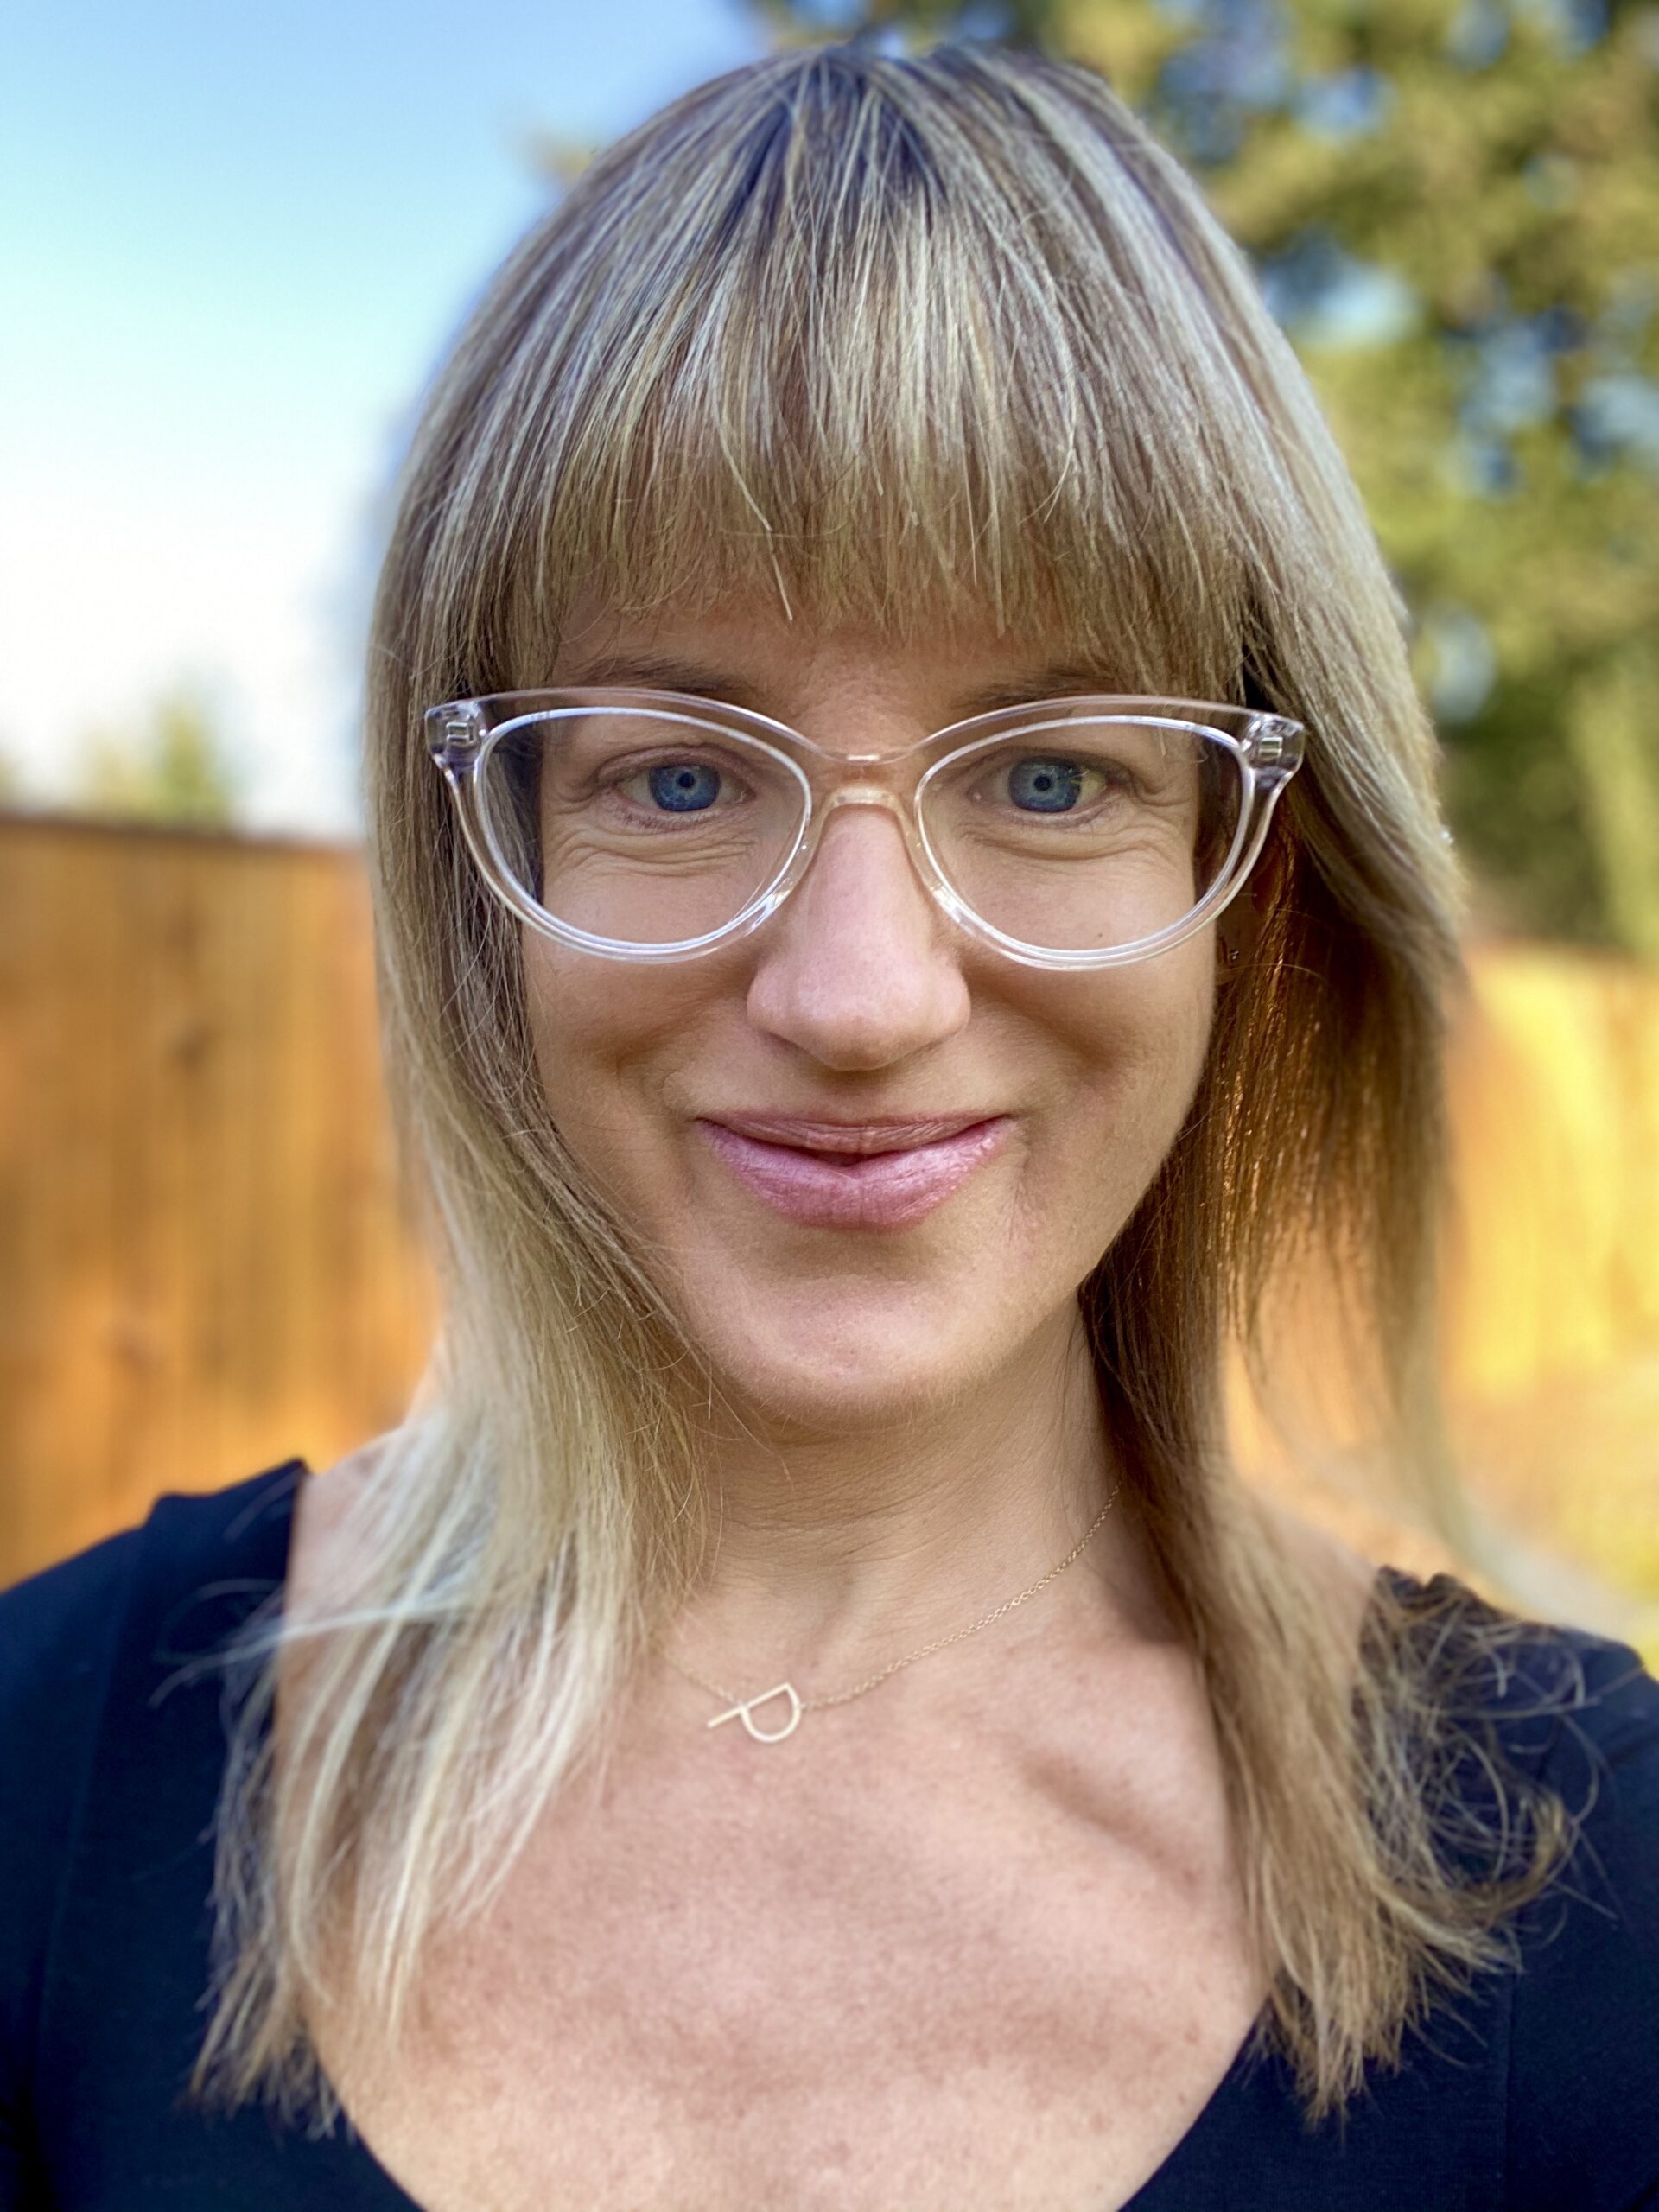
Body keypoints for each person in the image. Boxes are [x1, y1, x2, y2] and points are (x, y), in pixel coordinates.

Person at [3, 37, 1656, 2212]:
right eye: (678, 775)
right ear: (482, 865)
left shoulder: (1594, 1897)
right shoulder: (48, 1779)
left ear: (1253, 888)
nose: (861, 994)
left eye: (1053, 772)